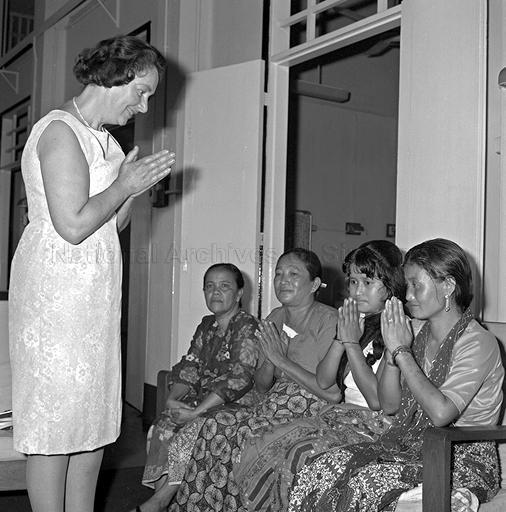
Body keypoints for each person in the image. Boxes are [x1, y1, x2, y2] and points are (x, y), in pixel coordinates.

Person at [8, 35, 175, 512]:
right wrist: (123, 184)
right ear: (115, 77)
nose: (144, 106)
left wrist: (132, 190)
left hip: (94, 294)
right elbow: (73, 225)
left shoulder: (105, 140)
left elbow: (110, 224)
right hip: (56, 294)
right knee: (55, 426)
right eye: (141, 92)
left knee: (92, 425)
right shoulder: (60, 131)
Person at [289, 238, 504, 511]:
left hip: (461, 456)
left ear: (448, 286)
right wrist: (392, 356)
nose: (408, 295)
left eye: (416, 285)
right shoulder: (414, 329)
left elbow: (442, 414)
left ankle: (445, 496)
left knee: (365, 484)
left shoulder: (478, 342)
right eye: (407, 285)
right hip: (411, 444)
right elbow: (389, 405)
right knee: (321, 468)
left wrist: (401, 351)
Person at [234, 240, 405, 511]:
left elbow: (376, 401)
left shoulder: (396, 329)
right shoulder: (356, 322)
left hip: (375, 423)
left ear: (391, 285)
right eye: (353, 282)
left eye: (367, 282)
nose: (357, 291)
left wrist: (351, 343)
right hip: (343, 416)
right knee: (263, 440)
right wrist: (341, 339)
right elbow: (326, 380)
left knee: (297, 452)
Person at [169, 248, 341, 511]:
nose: (283, 280)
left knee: (240, 436)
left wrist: (281, 360)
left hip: (310, 408)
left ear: (314, 284)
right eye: (279, 274)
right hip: (271, 404)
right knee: (216, 423)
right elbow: (262, 386)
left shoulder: (328, 319)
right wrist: (271, 359)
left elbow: (331, 393)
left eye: (293, 274)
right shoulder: (274, 318)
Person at [135, 263, 260, 512]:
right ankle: (163, 499)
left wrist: (196, 412)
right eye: (210, 286)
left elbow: (240, 378)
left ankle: (159, 502)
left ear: (239, 294)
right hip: (204, 401)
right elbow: (189, 366)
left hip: (237, 404)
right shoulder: (206, 325)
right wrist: (173, 400)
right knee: (164, 424)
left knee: (194, 427)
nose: (216, 292)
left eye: (224, 286)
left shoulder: (247, 326)